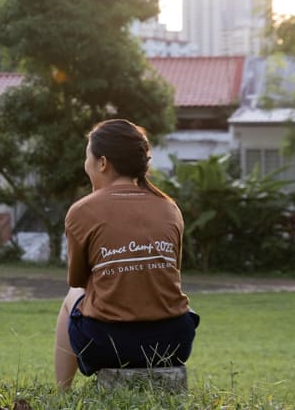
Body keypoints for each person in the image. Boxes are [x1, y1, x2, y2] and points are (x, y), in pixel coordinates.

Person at [54, 118, 199, 390]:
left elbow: (78, 281)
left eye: (87, 158)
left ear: (103, 163)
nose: (85, 165)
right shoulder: (170, 209)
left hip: (108, 345)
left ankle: (62, 392)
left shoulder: (82, 211)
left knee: (72, 297)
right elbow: (168, 275)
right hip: (173, 342)